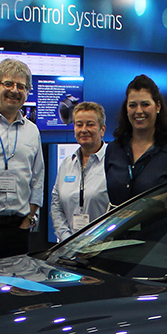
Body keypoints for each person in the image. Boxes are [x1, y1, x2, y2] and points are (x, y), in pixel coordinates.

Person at [0, 58, 45, 260]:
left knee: (15, 288)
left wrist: (29, 218)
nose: (15, 90)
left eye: (21, 86)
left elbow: (38, 178)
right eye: (8, 84)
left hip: (18, 228)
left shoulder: (32, 131)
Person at [105, 74, 167, 206]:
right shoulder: (114, 149)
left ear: (158, 106)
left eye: (145, 104)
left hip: (160, 226)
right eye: (132, 105)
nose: (139, 111)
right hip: (120, 226)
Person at [51, 102, 110, 241]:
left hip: (104, 246)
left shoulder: (114, 163)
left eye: (90, 124)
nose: (84, 130)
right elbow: (56, 206)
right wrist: (67, 239)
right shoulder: (67, 164)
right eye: (79, 124)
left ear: (102, 129)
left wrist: (97, 242)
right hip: (69, 248)